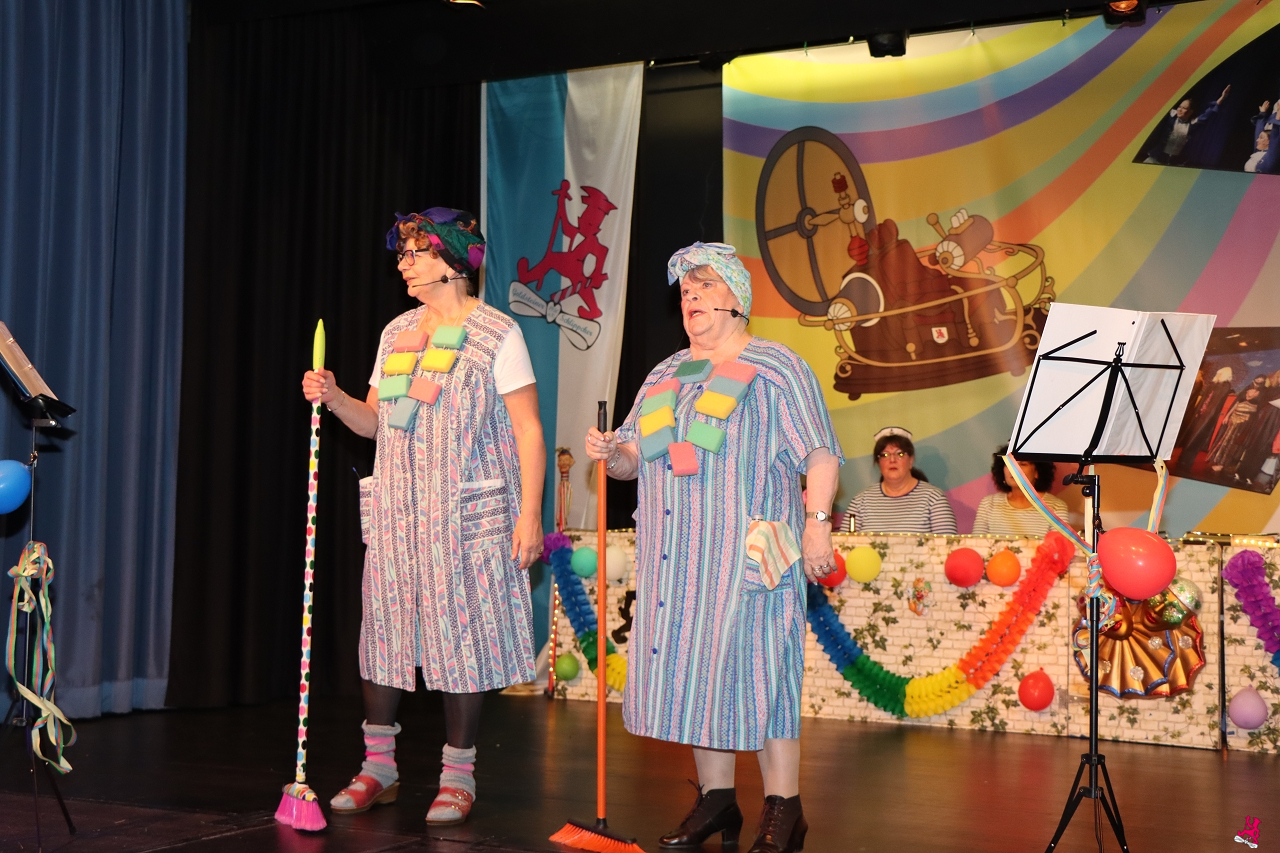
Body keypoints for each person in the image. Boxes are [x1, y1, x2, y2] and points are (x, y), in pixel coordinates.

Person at [584, 242, 841, 853]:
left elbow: (821, 452)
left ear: (737, 297)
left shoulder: (777, 366)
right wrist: (612, 453)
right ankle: (717, 800)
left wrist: (817, 523)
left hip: (750, 551)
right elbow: (633, 458)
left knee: (762, 672)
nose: (691, 296)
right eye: (684, 290)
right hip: (677, 557)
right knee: (699, 675)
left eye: (704, 284)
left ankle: (784, 808)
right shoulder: (664, 373)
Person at [300, 208, 545, 826]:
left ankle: (457, 775)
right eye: (402, 254)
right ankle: (378, 768)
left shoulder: (497, 334)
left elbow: (529, 430)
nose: (404, 264)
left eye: (417, 253)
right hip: (397, 515)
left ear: (453, 260)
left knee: (461, 639)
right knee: (383, 637)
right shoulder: (396, 333)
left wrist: (530, 514)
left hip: (463, 517)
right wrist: (335, 397)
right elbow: (373, 423)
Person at [840, 427, 956, 534]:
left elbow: (947, 545)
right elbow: (844, 544)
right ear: (878, 462)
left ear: (911, 460)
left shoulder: (934, 499)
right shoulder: (860, 502)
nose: (892, 460)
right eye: (885, 455)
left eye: (899, 454)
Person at [971, 445, 1068, 536]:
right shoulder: (988, 504)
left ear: (1037, 472)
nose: (1014, 469)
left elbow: (1058, 546)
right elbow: (976, 544)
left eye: (1023, 464)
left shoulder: (1056, 507)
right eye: (1009, 463)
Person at [1142, 85, 1230, 166]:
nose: (1179, 109)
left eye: (1184, 108)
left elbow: (1208, 114)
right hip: (1156, 157)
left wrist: (1222, 98)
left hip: (1173, 162)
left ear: (1190, 112)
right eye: (1179, 107)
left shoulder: (1192, 125)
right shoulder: (1171, 116)